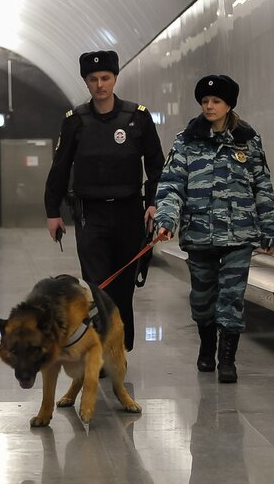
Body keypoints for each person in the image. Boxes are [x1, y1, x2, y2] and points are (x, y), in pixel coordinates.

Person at [154, 74, 274, 383]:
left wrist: (270, 227)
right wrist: (166, 220)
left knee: (232, 298)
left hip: (239, 234)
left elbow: (262, 185)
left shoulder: (247, 139)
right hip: (199, 234)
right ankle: (206, 345)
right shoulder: (187, 139)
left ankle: (227, 359)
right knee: (202, 299)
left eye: (216, 101)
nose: (209, 106)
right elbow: (171, 184)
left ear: (229, 105)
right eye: (205, 101)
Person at [45, 50, 164, 352]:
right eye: (93, 79)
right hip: (90, 215)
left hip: (128, 213)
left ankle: (119, 350)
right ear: (86, 83)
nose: (100, 84)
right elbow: (60, 167)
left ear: (115, 79)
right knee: (97, 286)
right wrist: (52, 211)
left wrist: (153, 202)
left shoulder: (137, 118)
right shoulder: (75, 121)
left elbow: (155, 165)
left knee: (123, 288)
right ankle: (100, 351)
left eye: (105, 78)